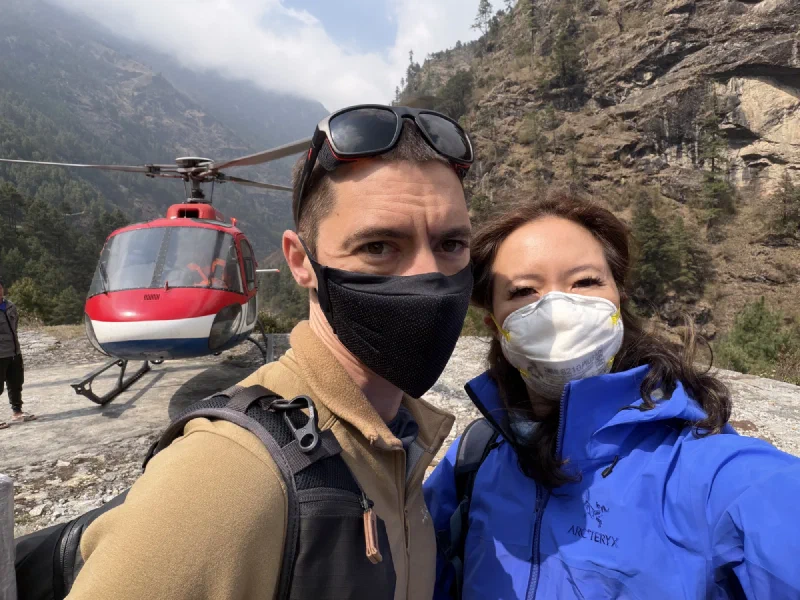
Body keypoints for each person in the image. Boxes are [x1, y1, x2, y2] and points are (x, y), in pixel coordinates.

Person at [66, 105, 475, 600]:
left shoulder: (399, 437)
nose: (425, 277)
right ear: (300, 261)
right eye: (379, 246)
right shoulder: (225, 477)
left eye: (451, 243)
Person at [425, 191, 800, 599]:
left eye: (585, 282)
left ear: (618, 300)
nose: (557, 308)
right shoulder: (474, 460)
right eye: (523, 291)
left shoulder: (712, 475)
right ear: (494, 325)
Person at [0, 277, 35, 429]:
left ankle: (17, 412)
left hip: (14, 352)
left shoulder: (10, 306)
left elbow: (14, 327)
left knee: (16, 383)